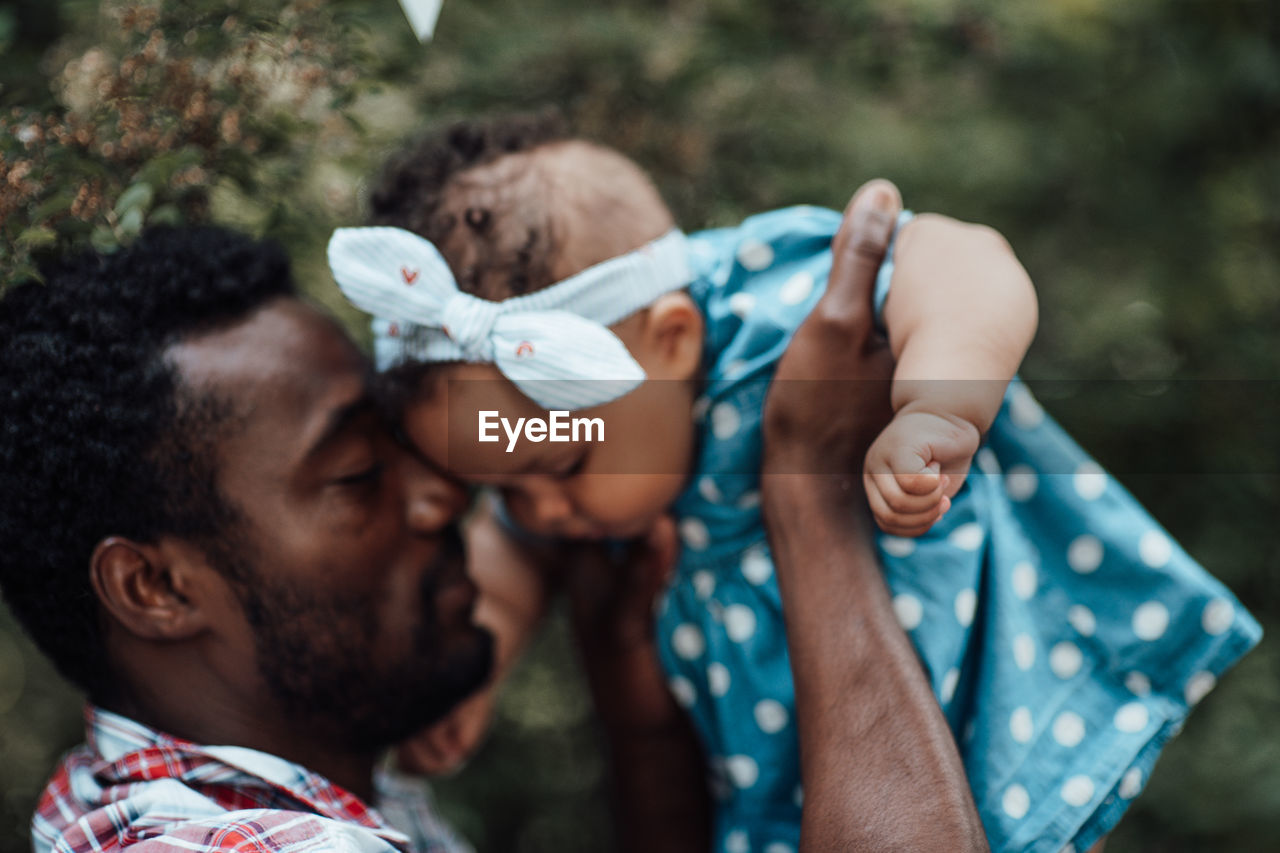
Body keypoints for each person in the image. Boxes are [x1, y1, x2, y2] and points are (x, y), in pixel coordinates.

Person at [329, 114, 1262, 853]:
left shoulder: (769, 304)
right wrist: (473, 671)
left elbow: (963, 257)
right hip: (805, 765)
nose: (543, 512)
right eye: (506, 487)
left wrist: (938, 405)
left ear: (670, 340)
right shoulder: (582, 458)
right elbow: (513, 553)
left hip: (987, 669)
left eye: (558, 468)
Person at [0, 197, 985, 853]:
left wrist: (625, 682)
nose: (441, 496)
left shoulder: (233, 790)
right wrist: (809, 497)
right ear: (156, 588)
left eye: (402, 450)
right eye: (352, 475)